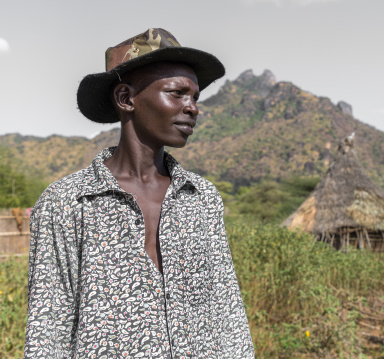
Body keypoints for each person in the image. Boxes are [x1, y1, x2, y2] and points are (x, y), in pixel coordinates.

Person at [24, 28, 255, 359]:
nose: (193, 108)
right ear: (126, 98)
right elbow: (48, 330)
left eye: (195, 97)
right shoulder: (68, 203)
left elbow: (228, 312)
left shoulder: (201, 197)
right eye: (177, 93)